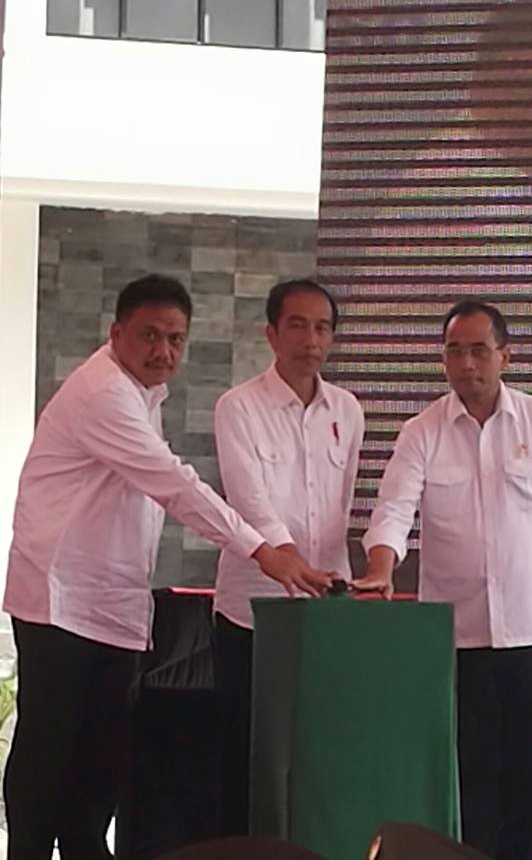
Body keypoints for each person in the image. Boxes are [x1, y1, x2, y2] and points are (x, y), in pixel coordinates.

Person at [2, 274, 331, 860]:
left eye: (176, 339)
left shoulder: (141, 395)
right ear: (117, 333)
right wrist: (264, 552)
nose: (164, 351)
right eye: (149, 335)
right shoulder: (103, 392)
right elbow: (175, 485)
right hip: (60, 599)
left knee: (98, 761)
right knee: (47, 753)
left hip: (111, 603)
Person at [353, 299, 532, 860]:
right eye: (454, 351)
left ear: (504, 356)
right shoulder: (422, 432)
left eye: (478, 350)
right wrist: (380, 568)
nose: (466, 363)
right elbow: (394, 509)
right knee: (466, 779)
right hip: (455, 642)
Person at [211, 278, 364, 835]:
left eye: (322, 327)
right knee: (247, 758)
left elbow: (342, 503)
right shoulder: (238, 407)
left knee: (321, 754)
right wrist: (292, 560)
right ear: (272, 334)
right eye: (297, 325)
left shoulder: (347, 410)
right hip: (253, 612)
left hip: (327, 613)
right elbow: (249, 500)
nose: (311, 339)